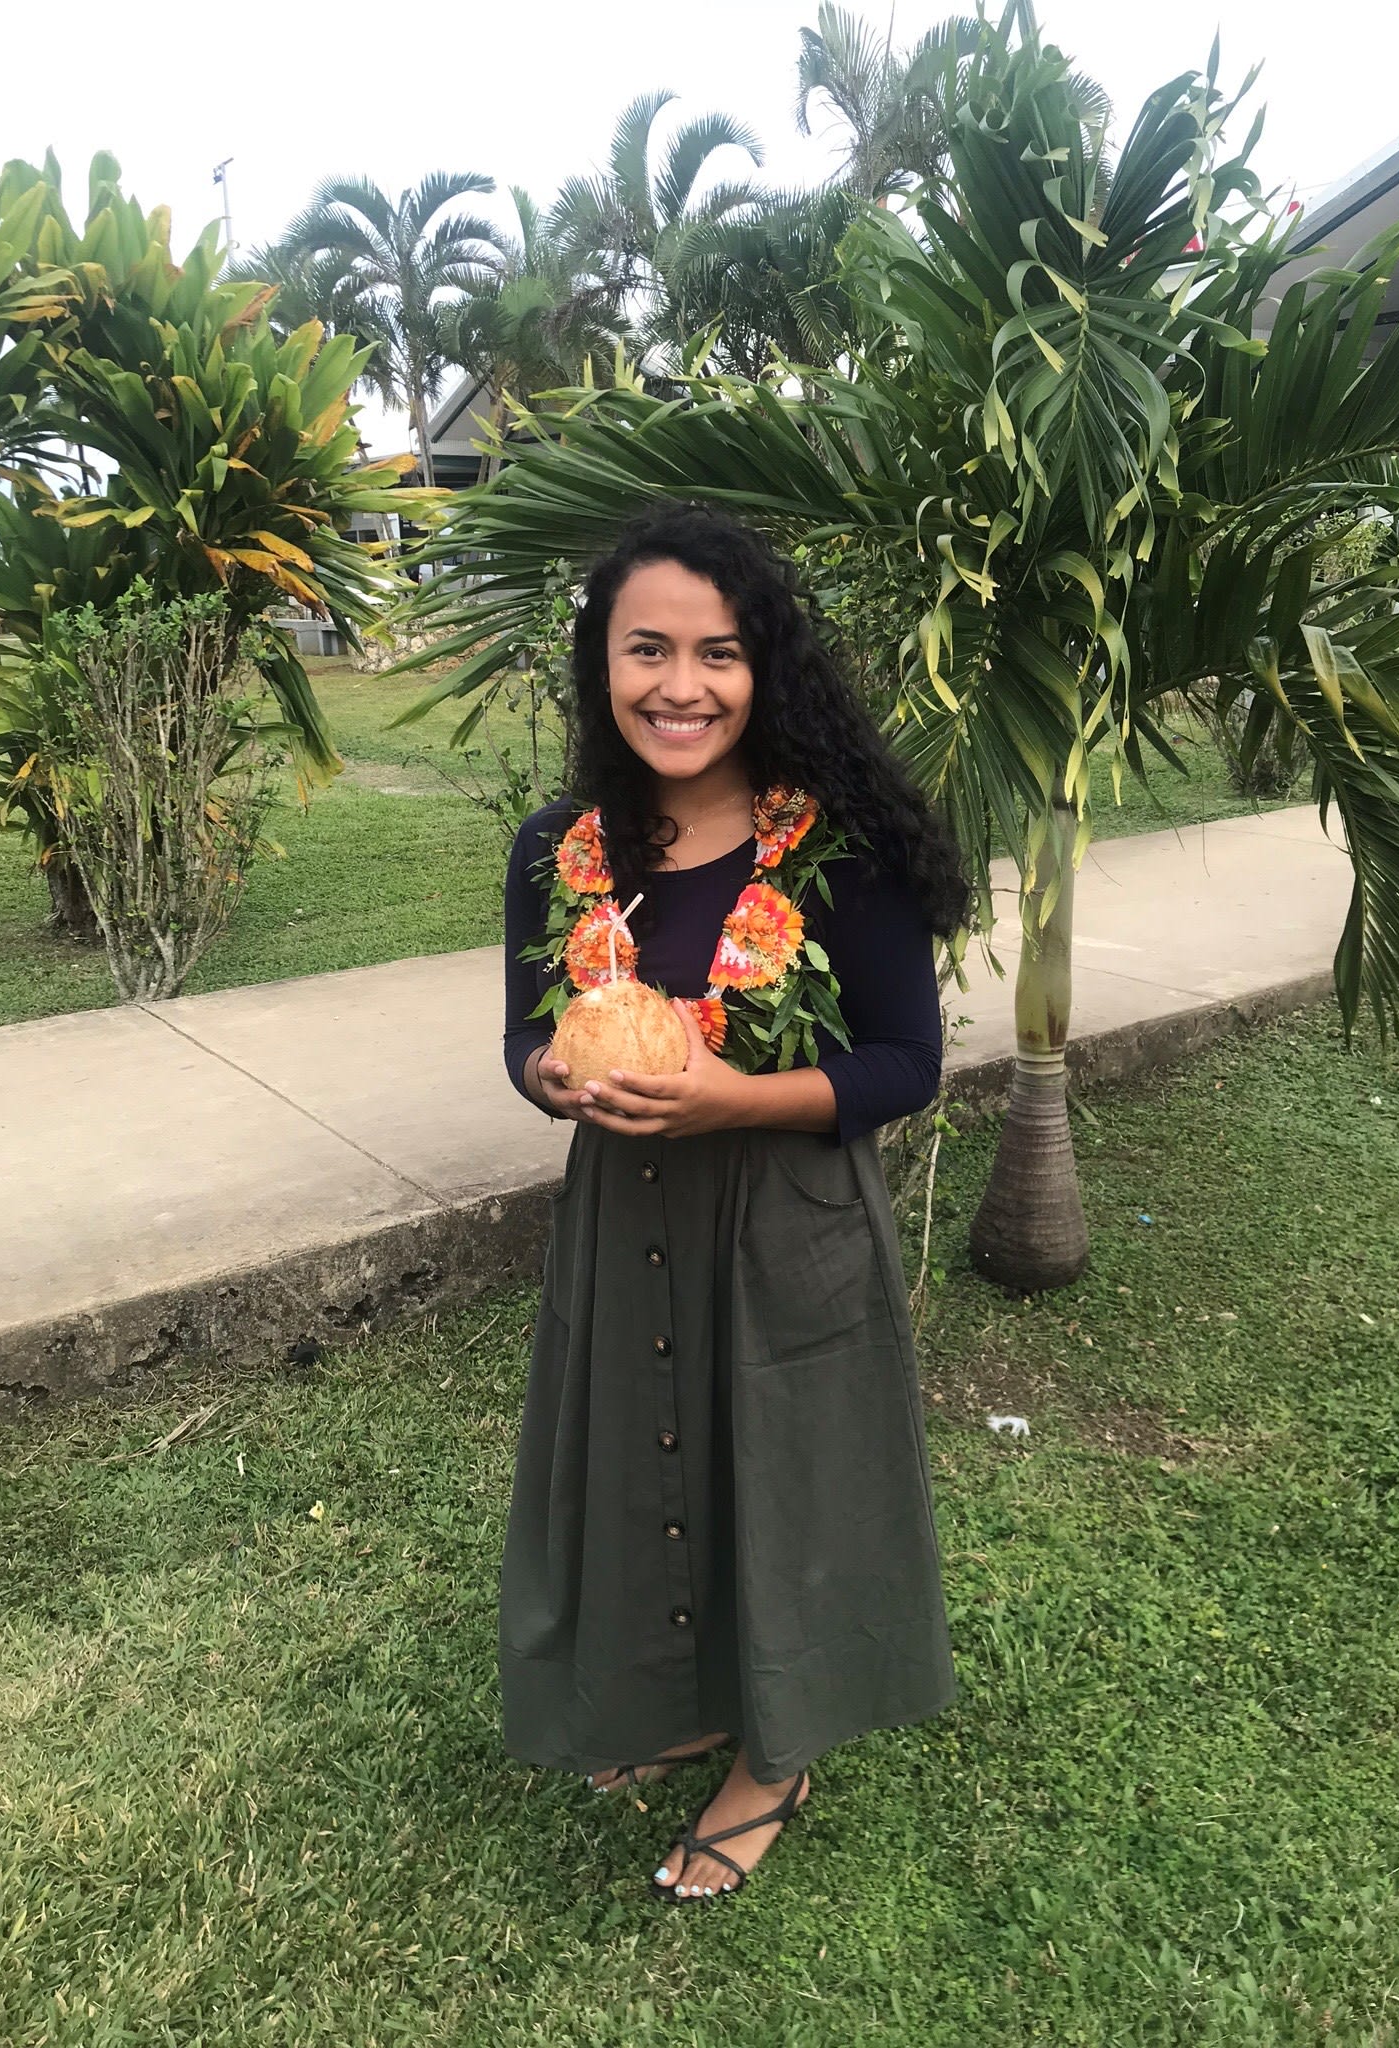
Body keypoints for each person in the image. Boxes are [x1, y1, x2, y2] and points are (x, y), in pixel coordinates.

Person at [500, 501, 969, 1903]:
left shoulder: (839, 850)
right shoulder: (559, 847)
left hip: (786, 1219)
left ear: (764, 667)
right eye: (648, 649)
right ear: (602, 664)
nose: (681, 686)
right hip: (622, 1213)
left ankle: (776, 1756)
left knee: (787, 1478)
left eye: (719, 652)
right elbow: (520, 1044)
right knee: (653, 1459)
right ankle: (687, 1697)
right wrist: (558, 1077)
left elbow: (905, 1064)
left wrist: (726, 1100)